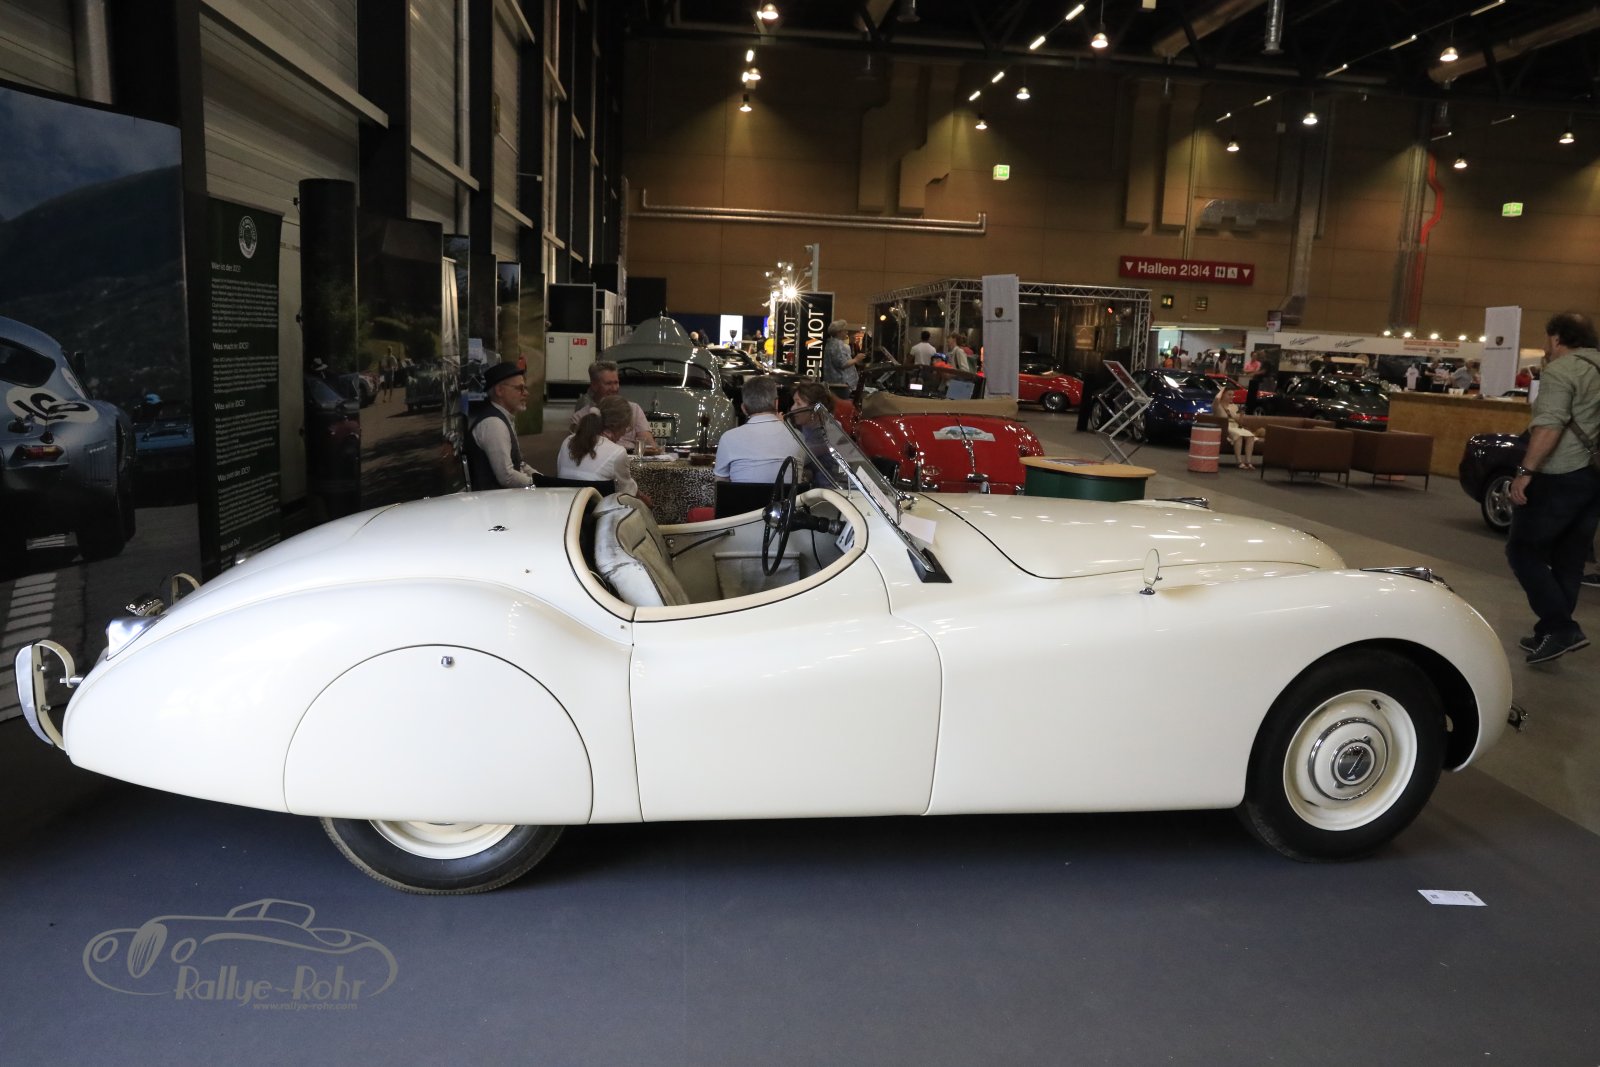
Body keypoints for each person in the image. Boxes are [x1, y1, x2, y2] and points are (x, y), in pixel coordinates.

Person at [1505, 311, 1600, 664]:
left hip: (1561, 473)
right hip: (1594, 475)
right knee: (1570, 558)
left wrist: (1525, 471)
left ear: (1557, 338)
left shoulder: (1562, 370)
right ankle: (1549, 632)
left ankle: (1561, 628)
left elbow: (1549, 426)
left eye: (1548, 339)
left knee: (1522, 551)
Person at [714, 374, 805, 483]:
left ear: (744, 408)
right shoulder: (798, 437)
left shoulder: (728, 438)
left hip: (743, 495)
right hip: (787, 495)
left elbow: (720, 484)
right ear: (776, 403)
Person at [557, 394, 647, 501]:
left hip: (566, 505)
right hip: (596, 508)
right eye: (626, 427)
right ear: (617, 426)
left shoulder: (567, 441)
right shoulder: (617, 453)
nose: (624, 433)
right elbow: (627, 493)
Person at [466, 362, 538, 489]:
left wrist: (543, 479)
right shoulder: (493, 423)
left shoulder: (501, 418)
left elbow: (519, 464)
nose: (526, 393)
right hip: (492, 500)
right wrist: (539, 484)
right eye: (520, 388)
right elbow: (507, 476)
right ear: (499, 390)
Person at [572, 360, 660, 452]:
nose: (614, 388)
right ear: (594, 385)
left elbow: (650, 445)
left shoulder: (634, 409)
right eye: (608, 384)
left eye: (616, 383)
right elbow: (578, 451)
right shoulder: (580, 417)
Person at [1213, 383, 1259, 469]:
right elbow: (1217, 398)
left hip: (1236, 426)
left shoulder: (1234, 406)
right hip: (1226, 427)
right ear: (1223, 395)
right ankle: (1239, 462)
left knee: (1250, 436)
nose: (1231, 397)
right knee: (1238, 436)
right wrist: (1222, 389)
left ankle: (1248, 462)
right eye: (1229, 394)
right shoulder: (1218, 405)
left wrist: (1241, 415)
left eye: (1232, 395)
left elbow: (1239, 422)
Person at [823, 319, 864, 399]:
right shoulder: (837, 344)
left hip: (834, 383)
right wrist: (856, 359)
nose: (847, 332)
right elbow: (842, 364)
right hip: (840, 384)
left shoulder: (831, 343)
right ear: (839, 332)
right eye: (845, 330)